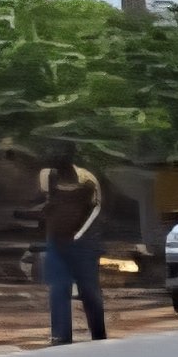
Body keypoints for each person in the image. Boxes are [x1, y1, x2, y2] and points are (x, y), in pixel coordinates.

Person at [37, 139, 109, 343]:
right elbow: (43, 203)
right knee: (59, 287)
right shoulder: (47, 177)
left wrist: (79, 234)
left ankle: (98, 335)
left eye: (59, 153)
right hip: (56, 242)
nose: (54, 157)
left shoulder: (87, 180)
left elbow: (96, 210)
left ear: (70, 156)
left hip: (84, 245)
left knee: (90, 291)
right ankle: (60, 337)